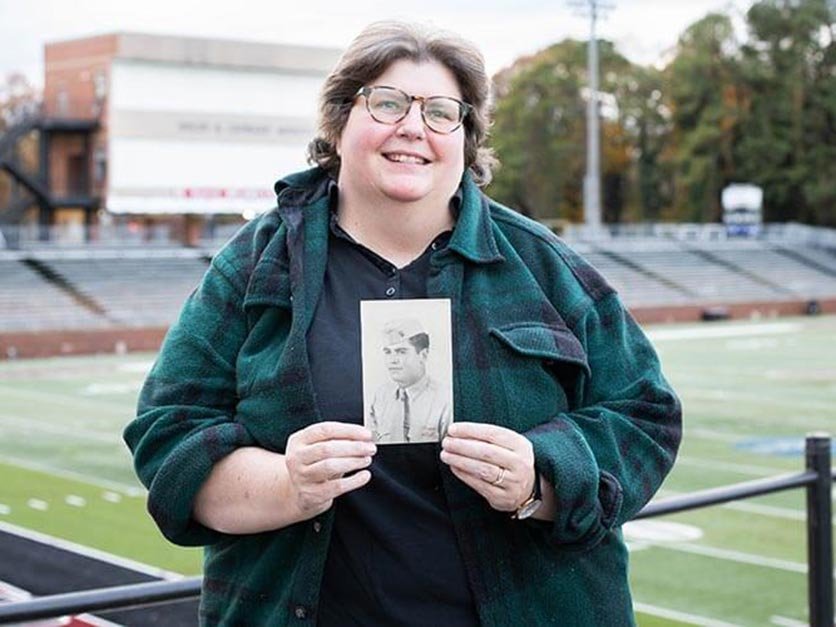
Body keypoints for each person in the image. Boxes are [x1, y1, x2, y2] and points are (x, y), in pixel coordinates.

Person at [124, 20, 681, 626]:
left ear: (467, 139)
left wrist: (540, 476)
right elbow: (168, 431)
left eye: (443, 112)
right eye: (387, 102)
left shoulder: (540, 264)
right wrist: (286, 484)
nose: (413, 127)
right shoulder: (257, 262)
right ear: (339, 124)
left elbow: (645, 412)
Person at [368, 318, 452, 443]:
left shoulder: (445, 399)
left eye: (401, 352)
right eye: (387, 352)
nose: (393, 360)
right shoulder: (380, 397)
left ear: (423, 355)